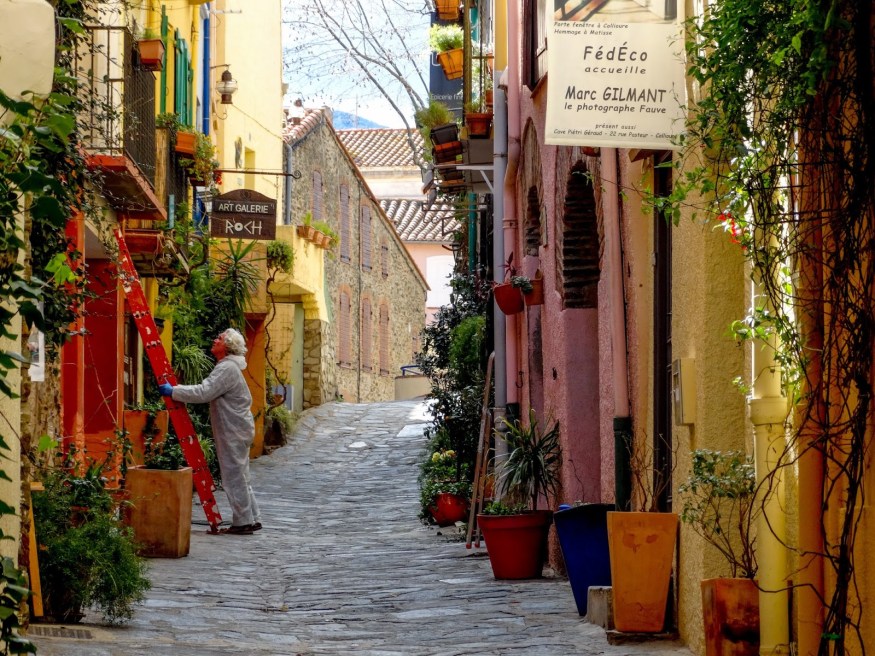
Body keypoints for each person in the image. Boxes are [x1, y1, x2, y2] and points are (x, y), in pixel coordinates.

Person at [159, 328, 262, 535]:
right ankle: (252, 517)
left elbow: (204, 391)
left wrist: (175, 391)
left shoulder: (227, 369)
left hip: (233, 429)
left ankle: (243, 522)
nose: (215, 340)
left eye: (220, 338)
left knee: (234, 475)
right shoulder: (229, 367)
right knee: (241, 474)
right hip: (238, 427)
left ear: (227, 346)